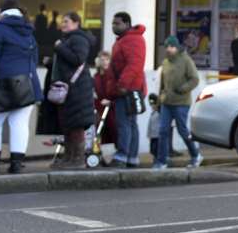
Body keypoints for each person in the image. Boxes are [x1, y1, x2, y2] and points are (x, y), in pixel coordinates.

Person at [0, 0, 44, 175]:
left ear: (2, 11)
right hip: (27, 85)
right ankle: (16, 164)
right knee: (20, 124)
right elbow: (34, 60)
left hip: (1, 84)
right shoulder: (29, 31)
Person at [97, 12, 148, 169]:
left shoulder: (132, 40)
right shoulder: (125, 39)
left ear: (126, 24)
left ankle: (122, 156)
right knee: (131, 124)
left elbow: (134, 65)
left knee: (124, 124)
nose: (113, 26)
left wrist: (121, 86)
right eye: (112, 23)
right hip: (127, 89)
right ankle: (131, 158)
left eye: (117, 23)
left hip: (127, 90)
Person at [48, 12, 97, 170]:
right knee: (68, 124)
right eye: (63, 21)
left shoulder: (78, 39)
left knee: (76, 125)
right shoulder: (69, 39)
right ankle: (69, 157)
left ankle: (77, 159)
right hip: (69, 88)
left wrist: (60, 48)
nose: (63, 24)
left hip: (77, 89)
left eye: (67, 21)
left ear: (76, 23)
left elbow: (78, 59)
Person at [152, 35, 202, 170]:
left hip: (181, 102)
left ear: (177, 47)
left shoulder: (186, 60)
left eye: (172, 47)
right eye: (167, 47)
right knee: (162, 131)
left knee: (182, 130)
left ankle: (195, 155)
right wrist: (158, 101)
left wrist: (183, 89)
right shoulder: (165, 62)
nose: (169, 49)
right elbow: (162, 84)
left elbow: (194, 79)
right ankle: (161, 161)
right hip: (166, 102)